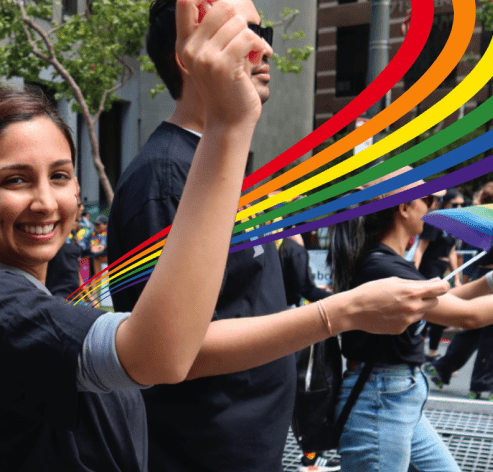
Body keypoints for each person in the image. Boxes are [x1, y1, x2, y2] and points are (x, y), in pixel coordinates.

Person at [0, 5, 449, 472]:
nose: (47, 202)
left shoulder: (41, 280)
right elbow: (161, 352)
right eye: (14, 180)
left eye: (60, 175)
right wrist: (342, 312)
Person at [107, 2, 448, 471]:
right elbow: (169, 351)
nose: (265, 46)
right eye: (242, 31)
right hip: (201, 455)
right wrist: (340, 313)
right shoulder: (167, 178)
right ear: (190, 54)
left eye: (262, 30)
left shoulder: (215, 169)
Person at [327, 166, 493, 472]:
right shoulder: (384, 267)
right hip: (380, 401)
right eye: (429, 199)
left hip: (393, 397)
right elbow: (468, 317)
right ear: (404, 208)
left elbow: (444, 302)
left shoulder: (387, 262)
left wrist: (492, 282)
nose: (433, 207)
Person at [425, 181, 493, 400]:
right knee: (490, 332)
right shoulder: (491, 222)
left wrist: (463, 280)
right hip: (489, 279)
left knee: (476, 330)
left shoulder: (481, 222)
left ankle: (443, 368)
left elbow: (469, 258)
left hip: (483, 278)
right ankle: (483, 383)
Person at [413, 188, 462, 361]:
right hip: (429, 267)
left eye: (460, 205)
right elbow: (420, 249)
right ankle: (416, 348)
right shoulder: (434, 221)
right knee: (428, 310)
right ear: (446, 203)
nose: (457, 208)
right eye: (455, 204)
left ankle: (433, 351)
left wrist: (457, 277)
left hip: (442, 268)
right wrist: (414, 273)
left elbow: (452, 252)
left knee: (440, 312)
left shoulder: (452, 224)